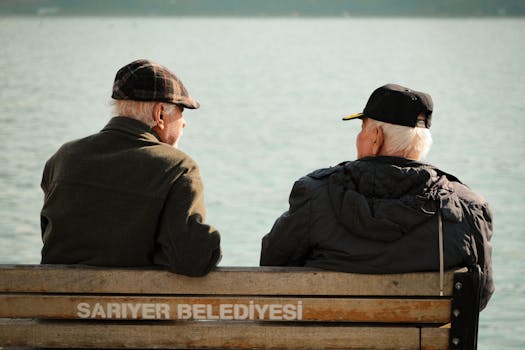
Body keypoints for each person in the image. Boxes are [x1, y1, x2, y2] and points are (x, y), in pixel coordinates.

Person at [260, 84, 494, 309]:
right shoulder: (466, 208)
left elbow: (272, 268)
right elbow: (478, 296)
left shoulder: (315, 194)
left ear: (376, 138)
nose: (359, 137)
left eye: (362, 129)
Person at [40, 59, 221, 277]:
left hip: (56, 307)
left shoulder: (63, 158)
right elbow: (192, 260)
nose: (184, 123)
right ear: (160, 114)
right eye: (181, 111)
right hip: (129, 308)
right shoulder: (177, 167)